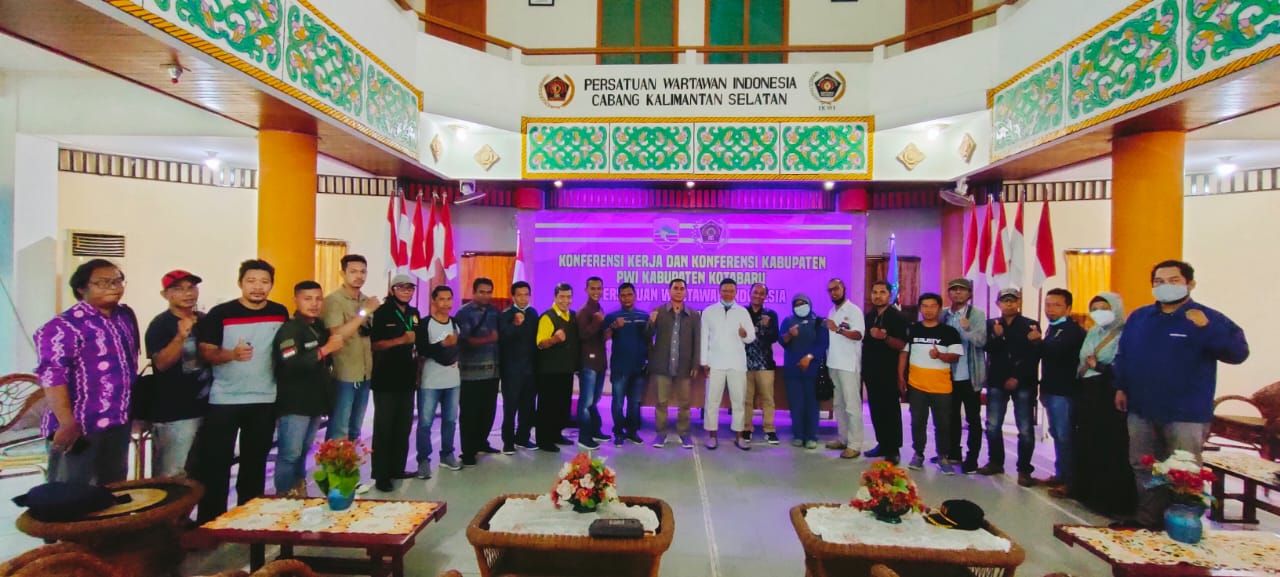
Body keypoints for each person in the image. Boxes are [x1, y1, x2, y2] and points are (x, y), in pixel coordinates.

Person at [1115, 260, 1249, 529]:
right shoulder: (1140, 317)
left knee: (1184, 471)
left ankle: (1183, 524)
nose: (1165, 286)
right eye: (1159, 281)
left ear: (1190, 284)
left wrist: (1207, 329)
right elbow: (1124, 355)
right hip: (1142, 407)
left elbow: (1238, 354)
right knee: (1144, 465)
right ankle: (1148, 520)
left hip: (1185, 412)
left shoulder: (1207, 318)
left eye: (1173, 280)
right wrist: (1121, 386)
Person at [195, 259, 289, 523]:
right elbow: (206, 353)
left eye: (264, 282)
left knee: (255, 465)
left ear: (271, 285)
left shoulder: (279, 312)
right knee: (216, 465)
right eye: (251, 281)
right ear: (240, 283)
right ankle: (212, 522)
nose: (258, 287)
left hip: (265, 399)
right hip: (224, 400)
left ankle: (248, 519)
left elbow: (286, 349)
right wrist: (231, 355)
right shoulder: (221, 313)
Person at [35, 259, 139, 486]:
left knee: (112, 489)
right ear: (82, 288)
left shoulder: (124, 317)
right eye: (102, 282)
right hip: (80, 426)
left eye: (117, 281)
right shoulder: (62, 327)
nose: (113, 287)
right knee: (71, 493)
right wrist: (66, 422)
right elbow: (52, 377)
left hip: (118, 421)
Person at [271, 281, 344, 496]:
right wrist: (325, 350)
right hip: (295, 402)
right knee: (290, 454)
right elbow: (290, 364)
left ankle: (299, 492)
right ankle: (283, 497)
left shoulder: (319, 326)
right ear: (296, 300)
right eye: (308, 299)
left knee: (303, 452)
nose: (314, 304)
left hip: (315, 401)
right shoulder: (290, 329)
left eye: (318, 299)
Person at [139, 270, 211, 478]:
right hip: (175, 413)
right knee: (171, 475)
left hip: (208, 407)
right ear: (165, 295)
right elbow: (161, 364)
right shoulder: (160, 324)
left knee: (202, 473)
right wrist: (181, 337)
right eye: (178, 289)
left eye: (191, 287)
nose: (187, 293)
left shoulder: (205, 320)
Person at [1073, 292, 1136, 516]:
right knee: (1089, 442)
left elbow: (1125, 365)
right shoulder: (1093, 332)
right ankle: (1088, 494)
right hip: (1088, 392)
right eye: (1095, 308)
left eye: (1104, 308)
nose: (1099, 313)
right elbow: (1084, 359)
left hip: (1110, 393)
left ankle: (1111, 501)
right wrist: (1092, 364)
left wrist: (1098, 365)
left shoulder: (1126, 334)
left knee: (1110, 445)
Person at [979, 288, 1042, 487]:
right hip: (997, 380)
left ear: (1019, 302)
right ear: (998, 303)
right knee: (993, 425)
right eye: (1005, 300)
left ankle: (1024, 470)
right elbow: (987, 348)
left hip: (1023, 381)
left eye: (1012, 300)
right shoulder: (992, 324)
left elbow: (1033, 355)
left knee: (1025, 428)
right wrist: (998, 336)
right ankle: (996, 462)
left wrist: (1017, 377)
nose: (1008, 304)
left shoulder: (1030, 324)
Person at [898, 293, 964, 475]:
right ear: (920, 309)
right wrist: (901, 377)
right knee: (917, 422)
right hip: (917, 386)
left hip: (941, 388)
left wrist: (940, 355)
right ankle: (918, 454)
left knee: (943, 424)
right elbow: (904, 354)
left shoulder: (949, 332)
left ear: (939, 308)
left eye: (933, 306)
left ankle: (943, 456)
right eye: (925, 306)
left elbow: (955, 357)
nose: (928, 310)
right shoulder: (912, 330)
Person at [322, 255, 381, 442]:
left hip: (365, 373)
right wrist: (364, 312)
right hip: (344, 374)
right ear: (342, 273)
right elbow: (337, 335)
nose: (359, 276)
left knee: (355, 429)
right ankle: (332, 462)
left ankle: (349, 461)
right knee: (339, 428)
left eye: (363, 272)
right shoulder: (333, 301)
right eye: (353, 271)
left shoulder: (365, 300)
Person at [369, 275, 420, 490]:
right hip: (385, 378)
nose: (406, 291)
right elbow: (374, 344)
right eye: (401, 287)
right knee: (384, 428)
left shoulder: (414, 313)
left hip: (407, 378)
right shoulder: (382, 312)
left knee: (403, 426)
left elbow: (418, 341)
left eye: (410, 288)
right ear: (392, 290)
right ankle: (381, 475)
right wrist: (401, 340)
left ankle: (397, 468)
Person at [1039, 288, 1087, 496]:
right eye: (1048, 304)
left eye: (1057, 305)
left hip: (1065, 392)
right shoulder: (1053, 328)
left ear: (1068, 308)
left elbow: (1056, 353)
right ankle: (1060, 474)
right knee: (1057, 434)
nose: (1051, 309)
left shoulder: (1073, 331)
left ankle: (1071, 481)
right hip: (1051, 389)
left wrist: (1037, 342)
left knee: (1065, 435)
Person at [701, 278, 756, 451]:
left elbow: (751, 337)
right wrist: (704, 362)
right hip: (715, 363)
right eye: (725, 290)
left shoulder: (742, 312)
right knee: (712, 401)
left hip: (737, 363)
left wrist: (744, 334)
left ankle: (739, 436)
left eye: (731, 291)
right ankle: (712, 435)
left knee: (738, 401)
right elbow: (704, 338)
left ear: (736, 292)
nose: (728, 294)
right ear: (719, 291)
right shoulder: (709, 311)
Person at [940, 278, 987, 474]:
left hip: (970, 375)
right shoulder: (943, 314)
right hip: (948, 374)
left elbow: (981, 341)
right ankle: (953, 453)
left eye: (962, 290)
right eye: (954, 289)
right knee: (951, 417)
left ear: (969, 294)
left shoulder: (976, 314)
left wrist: (967, 329)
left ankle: (972, 458)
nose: (958, 293)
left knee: (973, 419)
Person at [649, 278, 701, 449]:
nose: (678, 291)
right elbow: (647, 336)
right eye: (675, 288)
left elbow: (697, 341)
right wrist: (651, 322)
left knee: (684, 403)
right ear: (669, 291)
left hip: (684, 366)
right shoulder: (659, 311)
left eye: (681, 288)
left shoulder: (693, 315)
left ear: (686, 292)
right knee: (661, 402)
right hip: (662, 365)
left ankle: (684, 434)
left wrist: (695, 364)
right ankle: (660, 434)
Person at [416, 285, 463, 475]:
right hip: (431, 381)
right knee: (425, 423)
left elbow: (461, 346)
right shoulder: (425, 323)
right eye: (441, 299)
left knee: (450, 420)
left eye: (449, 299)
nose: (446, 303)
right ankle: (423, 460)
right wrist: (443, 344)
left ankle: (447, 454)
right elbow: (422, 349)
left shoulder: (455, 323)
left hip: (453, 381)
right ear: (434, 301)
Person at [456, 277, 501, 466]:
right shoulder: (464, 312)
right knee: (469, 414)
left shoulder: (495, 312)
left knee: (488, 412)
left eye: (489, 292)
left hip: (492, 372)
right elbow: (464, 341)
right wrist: (489, 339)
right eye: (481, 292)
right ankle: (468, 452)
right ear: (473, 292)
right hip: (470, 375)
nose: (485, 295)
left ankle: (482, 442)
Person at [862, 280, 908, 463]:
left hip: (889, 371)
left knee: (891, 410)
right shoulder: (869, 316)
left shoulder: (898, 317)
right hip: (871, 371)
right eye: (875, 292)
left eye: (882, 292)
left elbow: (902, 344)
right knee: (876, 409)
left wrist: (885, 337)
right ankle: (882, 443)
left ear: (890, 295)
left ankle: (893, 449)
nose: (878, 296)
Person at [824, 278, 866, 459]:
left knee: (852, 405)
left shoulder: (854, 311)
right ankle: (843, 438)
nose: (834, 292)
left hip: (849, 365)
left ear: (844, 289)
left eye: (836, 288)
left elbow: (858, 335)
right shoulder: (832, 311)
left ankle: (855, 444)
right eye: (830, 290)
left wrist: (838, 329)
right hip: (834, 363)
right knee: (838, 404)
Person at [535, 283, 579, 452]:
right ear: (555, 297)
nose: (565, 300)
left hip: (565, 370)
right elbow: (541, 343)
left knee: (561, 406)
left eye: (568, 297)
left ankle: (556, 434)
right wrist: (554, 339)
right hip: (549, 371)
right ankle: (543, 440)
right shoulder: (547, 317)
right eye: (562, 297)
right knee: (547, 406)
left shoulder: (572, 316)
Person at [603, 283, 648, 447]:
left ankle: (632, 431)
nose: (626, 298)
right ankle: (618, 432)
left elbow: (649, 340)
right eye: (623, 295)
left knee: (634, 403)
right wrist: (613, 326)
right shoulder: (612, 316)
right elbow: (603, 338)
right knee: (618, 403)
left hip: (638, 367)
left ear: (635, 296)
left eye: (629, 295)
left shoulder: (644, 316)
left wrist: (648, 361)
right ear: (618, 297)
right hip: (620, 367)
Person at [781, 294, 828, 449]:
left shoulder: (818, 322)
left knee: (812, 404)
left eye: (803, 303)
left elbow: (823, 344)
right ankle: (798, 435)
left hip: (812, 369)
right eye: (797, 304)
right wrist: (789, 334)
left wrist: (809, 357)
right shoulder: (788, 321)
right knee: (796, 404)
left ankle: (811, 436)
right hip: (793, 371)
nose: (800, 306)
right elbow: (782, 341)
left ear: (809, 304)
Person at [498, 281, 538, 454]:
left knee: (527, 407)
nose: (523, 298)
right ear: (513, 296)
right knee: (510, 407)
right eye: (519, 295)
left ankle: (523, 437)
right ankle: (508, 442)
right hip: (511, 370)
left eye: (526, 294)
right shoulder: (506, 314)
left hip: (530, 369)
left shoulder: (533, 313)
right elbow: (503, 338)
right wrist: (515, 324)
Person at [576, 277, 611, 449]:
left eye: (599, 288)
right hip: (588, 363)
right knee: (586, 402)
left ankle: (594, 431)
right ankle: (584, 437)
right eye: (593, 288)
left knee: (595, 400)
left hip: (599, 362)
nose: (596, 291)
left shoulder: (598, 308)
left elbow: (597, 337)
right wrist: (597, 323)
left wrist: (608, 333)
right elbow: (582, 336)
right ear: (586, 290)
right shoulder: (584, 311)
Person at [744, 283, 780, 445]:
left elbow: (775, 337)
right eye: (755, 292)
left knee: (767, 399)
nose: (758, 296)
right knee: (746, 399)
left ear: (765, 296)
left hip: (765, 363)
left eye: (761, 293)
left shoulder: (770, 314)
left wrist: (765, 328)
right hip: (744, 363)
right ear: (750, 293)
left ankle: (769, 429)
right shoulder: (742, 313)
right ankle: (746, 428)